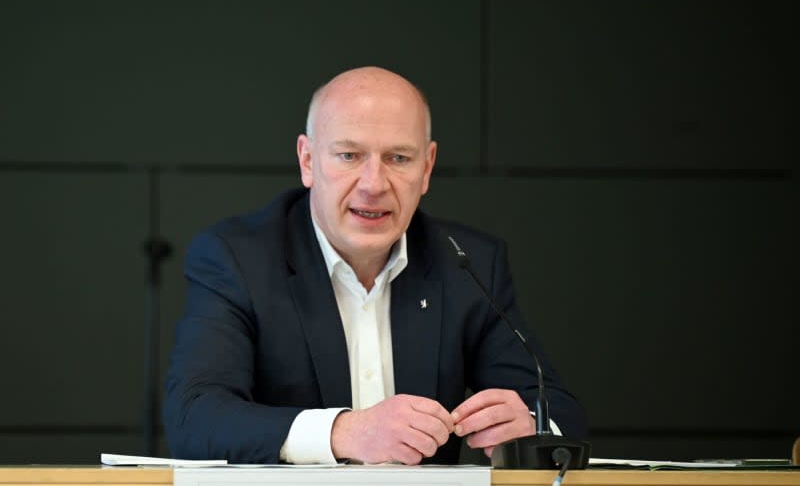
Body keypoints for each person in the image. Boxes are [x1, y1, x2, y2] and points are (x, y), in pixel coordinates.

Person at [163, 66, 587, 464]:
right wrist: (346, 431)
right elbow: (195, 418)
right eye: (349, 156)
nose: (374, 185)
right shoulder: (237, 258)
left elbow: (560, 413)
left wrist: (532, 426)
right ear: (308, 161)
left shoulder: (468, 263)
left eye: (399, 158)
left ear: (427, 167)